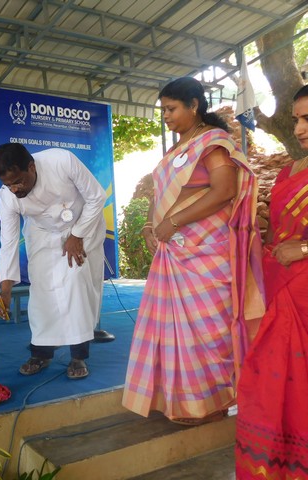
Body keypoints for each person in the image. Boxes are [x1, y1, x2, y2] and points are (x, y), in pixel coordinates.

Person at [122, 76, 265, 425]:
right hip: (174, 253)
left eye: (171, 109)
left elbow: (224, 190)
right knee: (175, 333)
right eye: (163, 110)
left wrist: (173, 222)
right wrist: (149, 226)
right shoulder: (174, 151)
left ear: (194, 105)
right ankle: (181, 400)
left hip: (206, 254)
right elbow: (159, 195)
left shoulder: (213, 143)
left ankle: (212, 404)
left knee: (208, 331)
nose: (166, 116)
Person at [235, 85, 308, 478]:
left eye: (307, 119)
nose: (299, 129)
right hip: (277, 283)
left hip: (302, 290)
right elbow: (277, 230)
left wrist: (304, 249)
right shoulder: (289, 171)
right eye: (297, 119)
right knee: (266, 380)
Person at [0, 143, 107, 380]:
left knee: (76, 282)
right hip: (42, 232)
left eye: (18, 182)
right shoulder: (8, 197)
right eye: (8, 185)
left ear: (31, 167)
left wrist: (77, 235)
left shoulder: (62, 161)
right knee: (41, 290)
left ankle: (78, 356)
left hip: (82, 223)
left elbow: (97, 197)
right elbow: (9, 242)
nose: (14, 189)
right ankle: (41, 353)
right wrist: (6, 289)